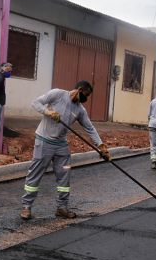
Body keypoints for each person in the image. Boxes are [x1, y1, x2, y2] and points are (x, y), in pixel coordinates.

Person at [20, 80, 110, 220]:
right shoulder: (57, 94)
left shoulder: (80, 109)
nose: (86, 99)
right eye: (86, 95)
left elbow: (89, 128)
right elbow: (35, 103)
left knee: (64, 175)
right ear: (79, 89)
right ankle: (26, 207)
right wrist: (48, 112)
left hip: (61, 145)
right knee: (35, 173)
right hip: (44, 141)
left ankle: (62, 208)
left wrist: (101, 145)